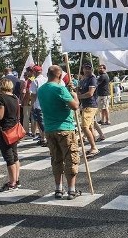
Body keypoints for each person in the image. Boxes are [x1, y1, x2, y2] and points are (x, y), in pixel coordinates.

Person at [37, 65, 82, 200]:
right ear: (60, 76)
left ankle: (58, 188)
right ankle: (71, 190)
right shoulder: (60, 88)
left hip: (50, 129)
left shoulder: (41, 89)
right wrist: (75, 96)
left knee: (56, 159)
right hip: (65, 128)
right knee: (71, 158)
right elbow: (74, 106)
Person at [0, 78, 22, 192]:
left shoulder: (1, 99)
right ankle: (16, 180)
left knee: (9, 157)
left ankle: (12, 182)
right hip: (14, 128)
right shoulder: (15, 97)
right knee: (14, 155)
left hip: (5, 130)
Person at [77, 63, 101, 157]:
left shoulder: (92, 79)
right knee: (90, 127)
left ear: (92, 69)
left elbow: (90, 93)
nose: (87, 70)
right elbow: (80, 90)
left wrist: (78, 96)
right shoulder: (83, 79)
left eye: (89, 68)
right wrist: (76, 89)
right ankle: (93, 147)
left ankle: (94, 148)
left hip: (90, 105)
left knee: (84, 127)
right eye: (85, 68)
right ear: (82, 69)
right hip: (84, 105)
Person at [30, 65, 48, 147]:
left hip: (38, 104)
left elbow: (33, 94)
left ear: (34, 72)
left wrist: (32, 105)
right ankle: (43, 138)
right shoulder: (47, 79)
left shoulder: (35, 81)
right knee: (45, 122)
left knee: (41, 123)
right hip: (47, 103)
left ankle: (45, 139)